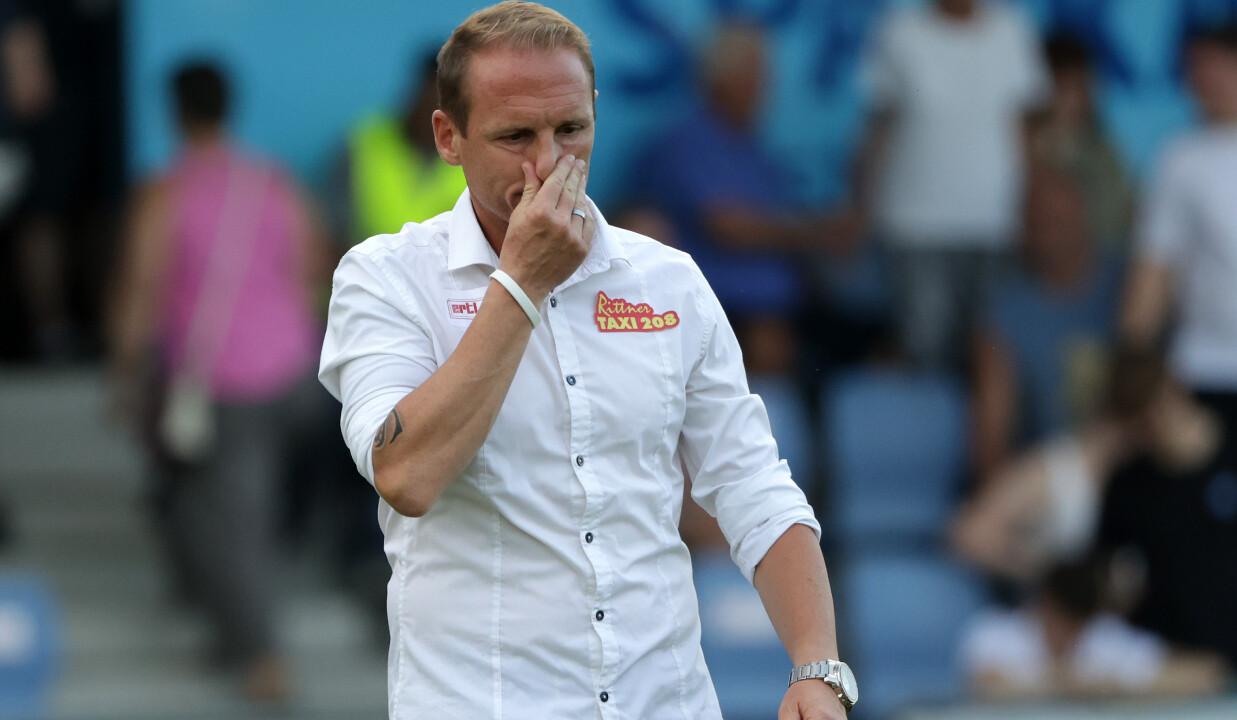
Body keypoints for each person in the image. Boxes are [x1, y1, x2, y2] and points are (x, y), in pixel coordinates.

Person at [318, 3, 855, 718]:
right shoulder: (384, 277)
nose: (548, 163)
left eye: (570, 129)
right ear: (449, 137)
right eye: (515, 136)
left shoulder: (669, 280)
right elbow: (406, 476)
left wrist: (817, 667)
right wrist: (522, 283)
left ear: (596, 113)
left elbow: (754, 487)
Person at [110, 61, 327, 704]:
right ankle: (230, 626)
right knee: (200, 503)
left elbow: (141, 289)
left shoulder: (165, 193)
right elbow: (314, 268)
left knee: (228, 516)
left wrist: (125, 374)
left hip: (222, 383)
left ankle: (262, 655)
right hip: (293, 371)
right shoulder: (274, 183)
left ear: (174, 111)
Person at [953, 347, 1237, 674]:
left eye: (1155, 410)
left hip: (1229, 643)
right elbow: (969, 535)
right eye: (1140, 417)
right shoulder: (1108, 479)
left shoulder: (1236, 456)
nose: (1152, 424)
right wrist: (1051, 570)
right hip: (1130, 642)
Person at [633, 21, 857, 375]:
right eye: (754, 74)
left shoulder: (751, 146)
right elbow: (728, 225)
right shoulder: (688, 141)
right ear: (721, 78)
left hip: (790, 306)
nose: (765, 86)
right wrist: (816, 233)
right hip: (728, 314)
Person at [1120, 23, 1237, 477]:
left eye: (1217, 69)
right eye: (1197, 74)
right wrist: (1134, 359)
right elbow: (1154, 267)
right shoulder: (1181, 159)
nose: (1208, 84)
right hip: (1212, 369)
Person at [859, 0, 1049, 370]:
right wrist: (861, 205)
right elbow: (879, 126)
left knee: (991, 352)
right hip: (915, 224)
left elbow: (1027, 131)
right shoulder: (900, 30)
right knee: (924, 353)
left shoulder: (1012, 30)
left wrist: (1031, 208)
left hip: (996, 223)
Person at [970, 167, 1124, 484]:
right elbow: (991, 433)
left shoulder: (1129, 285)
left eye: (1061, 218)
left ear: (1086, 217)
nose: (1052, 230)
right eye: (1040, 221)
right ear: (1022, 229)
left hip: (1130, 472)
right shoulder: (1004, 308)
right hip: (1047, 479)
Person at [960, 555, 1227, 700]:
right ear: (1045, 603)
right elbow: (984, 688)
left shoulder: (1103, 636)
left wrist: (1114, 685)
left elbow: (1208, 673)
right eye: (1062, 617)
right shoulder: (995, 631)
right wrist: (1067, 686)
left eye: (1078, 622)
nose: (1069, 633)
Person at [328, 46, 468, 250]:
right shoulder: (363, 143)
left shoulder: (475, 152)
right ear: (416, 91)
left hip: (450, 269)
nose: (436, 108)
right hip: (368, 265)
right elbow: (332, 231)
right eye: (432, 95)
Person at [1027, 35, 1134, 253]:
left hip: (1111, 251)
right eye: (1070, 86)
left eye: (1086, 85)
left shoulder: (1101, 141)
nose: (1083, 95)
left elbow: (1126, 206)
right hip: (1059, 259)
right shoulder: (1033, 143)